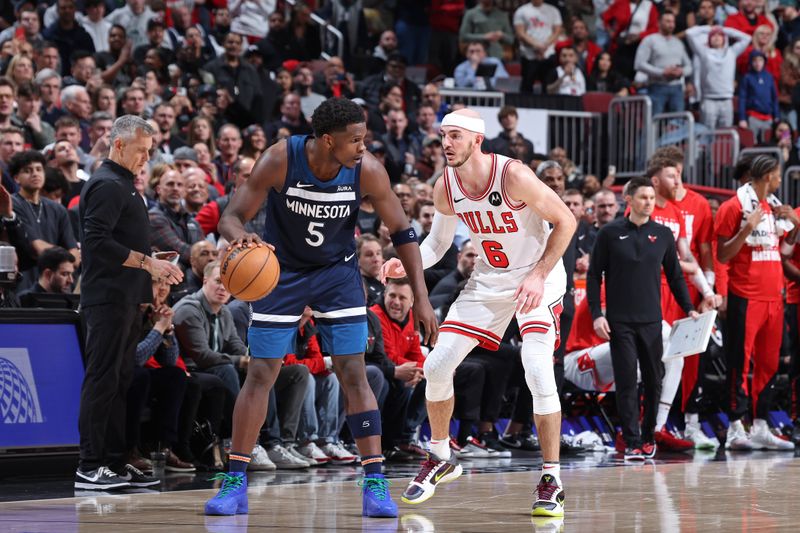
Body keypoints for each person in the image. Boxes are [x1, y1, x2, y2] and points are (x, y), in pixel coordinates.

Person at [204, 97, 437, 517]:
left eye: (364, 138)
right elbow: (231, 217)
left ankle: (374, 482)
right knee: (260, 373)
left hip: (337, 275)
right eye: (355, 140)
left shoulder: (367, 170)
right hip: (281, 272)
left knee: (353, 372)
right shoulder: (280, 158)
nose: (363, 146)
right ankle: (235, 480)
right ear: (328, 141)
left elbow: (402, 230)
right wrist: (243, 239)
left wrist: (421, 296)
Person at [381, 109, 575, 516]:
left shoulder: (514, 176)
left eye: (454, 136)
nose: (445, 143)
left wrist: (539, 275)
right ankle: (440, 455)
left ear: (476, 141)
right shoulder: (445, 186)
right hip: (489, 280)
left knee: (537, 368)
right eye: (442, 136)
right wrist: (408, 263)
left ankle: (551, 478)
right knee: (436, 365)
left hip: (539, 276)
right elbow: (437, 245)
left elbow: (567, 221)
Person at [76, 115, 183, 490]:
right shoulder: (106, 184)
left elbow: (122, 241)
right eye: (142, 150)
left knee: (122, 381)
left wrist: (153, 256)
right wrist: (146, 262)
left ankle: (115, 461)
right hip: (106, 298)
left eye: (150, 151)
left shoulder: (127, 186)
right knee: (102, 380)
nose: (146, 158)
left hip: (127, 298)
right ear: (119, 145)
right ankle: (90, 465)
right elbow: (96, 242)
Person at [588, 176, 698, 460]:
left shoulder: (662, 235)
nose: (649, 202)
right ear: (629, 200)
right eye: (643, 197)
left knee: (654, 379)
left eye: (651, 198)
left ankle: (649, 436)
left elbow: (675, 277)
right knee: (625, 381)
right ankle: (632, 441)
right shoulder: (610, 233)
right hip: (620, 321)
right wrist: (597, 315)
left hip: (652, 320)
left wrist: (689, 309)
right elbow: (592, 275)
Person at [716, 155, 798, 450]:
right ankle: (736, 427)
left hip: (774, 299)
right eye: (777, 175)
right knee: (739, 363)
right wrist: (746, 229)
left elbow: (783, 249)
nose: (779, 180)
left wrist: (795, 222)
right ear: (767, 177)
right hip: (745, 297)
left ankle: (761, 425)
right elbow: (722, 255)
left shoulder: (771, 207)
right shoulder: (733, 207)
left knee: (769, 364)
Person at [685, 25, 751, 128]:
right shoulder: (703, 52)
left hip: (727, 99)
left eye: (719, 35)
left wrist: (724, 30)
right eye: (713, 36)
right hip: (708, 100)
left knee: (725, 134)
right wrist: (708, 28)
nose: (716, 37)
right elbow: (689, 33)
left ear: (724, 39)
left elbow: (747, 38)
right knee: (706, 133)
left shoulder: (731, 52)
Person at [634, 12, 693, 115]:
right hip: (657, 86)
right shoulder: (650, 40)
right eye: (667, 21)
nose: (671, 24)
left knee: (678, 122)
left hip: (677, 88)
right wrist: (661, 72)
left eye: (673, 22)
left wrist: (681, 71)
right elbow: (639, 64)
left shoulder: (678, 43)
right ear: (659, 23)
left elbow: (689, 66)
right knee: (655, 122)